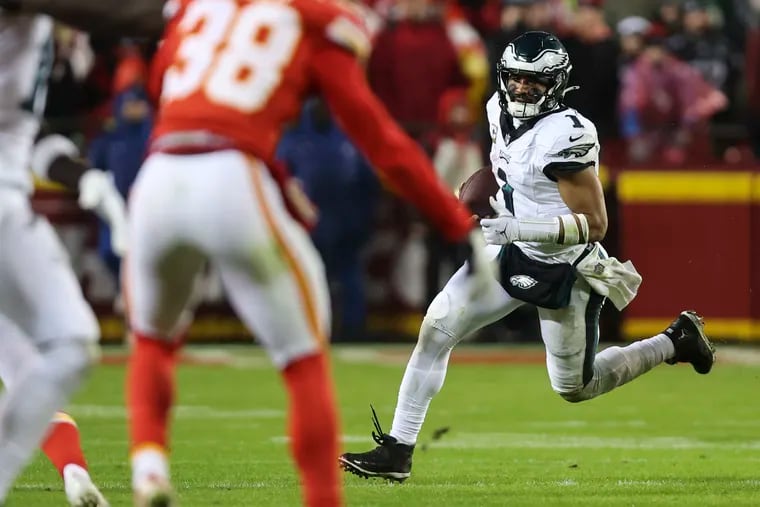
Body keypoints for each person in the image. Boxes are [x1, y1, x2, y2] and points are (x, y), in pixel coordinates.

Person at [5, 1, 493, 506]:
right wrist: (453, 223)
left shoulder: (199, 10)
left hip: (159, 175)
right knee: (304, 359)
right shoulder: (316, 18)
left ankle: (148, 466)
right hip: (233, 176)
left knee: (152, 339)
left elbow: (171, 98)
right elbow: (382, 140)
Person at [338, 31, 716, 483]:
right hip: (507, 248)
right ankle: (398, 451)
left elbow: (595, 225)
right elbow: (505, 169)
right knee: (436, 330)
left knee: (576, 387)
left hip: (564, 265)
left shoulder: (567, 134)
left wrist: (520, 226)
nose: (521, 88)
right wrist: (486, 200)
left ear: (556, 83)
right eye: (515, 78)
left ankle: (675, 341)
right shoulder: (496, 108)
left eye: (534, 81)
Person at [0, 12, 127, 506]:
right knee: (57, 353)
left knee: (43, 369)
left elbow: (35, 145)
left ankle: (73, 470)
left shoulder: (41, 55)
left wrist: (85, 179)